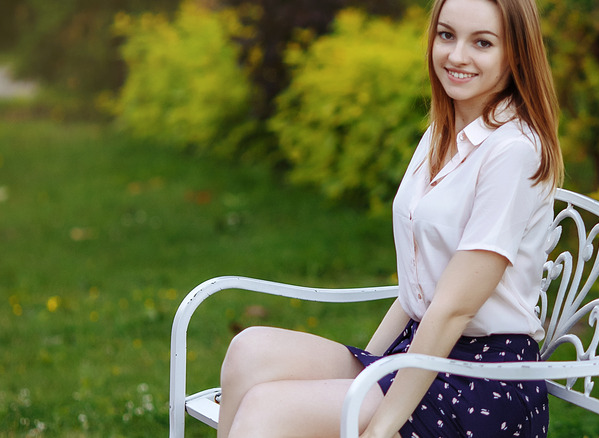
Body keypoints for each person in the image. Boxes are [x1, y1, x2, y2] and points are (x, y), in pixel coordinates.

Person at [217, 0, 563, 436]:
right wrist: (366, 367)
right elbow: (418, 288)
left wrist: (380, 427)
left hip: (482, 382)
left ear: (516, 54)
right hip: (418, 353)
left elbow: (454, 309)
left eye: (482, 42)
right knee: (249, 350)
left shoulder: (513, 151)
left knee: (270, 409)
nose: (457, 56)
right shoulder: (442, 133)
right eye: (446, 35)